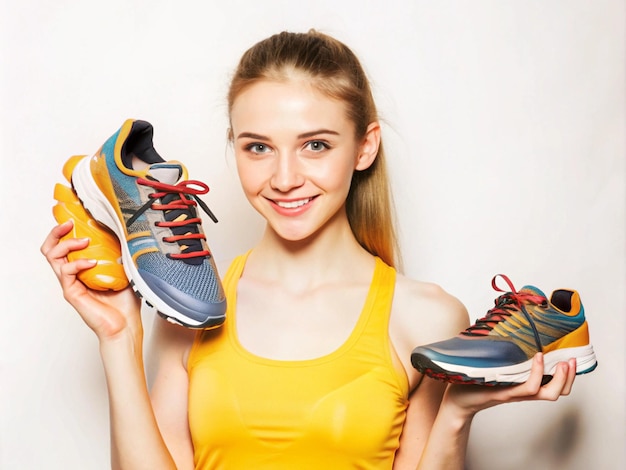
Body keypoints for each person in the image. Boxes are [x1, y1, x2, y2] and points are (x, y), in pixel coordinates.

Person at [41, 30, 577, 469]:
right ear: (235, 148)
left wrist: (456, 414)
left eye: (315, 145)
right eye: (258, 148)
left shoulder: (425, 318)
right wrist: (119, 338)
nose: (284, 178)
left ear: (364, 147)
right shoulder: (194, 309)